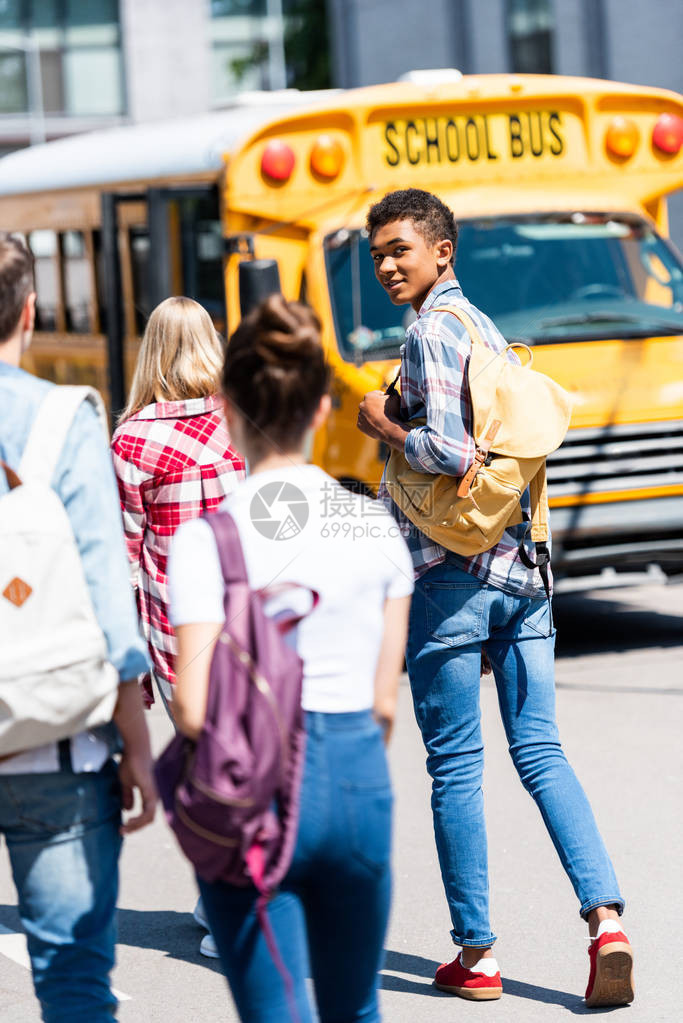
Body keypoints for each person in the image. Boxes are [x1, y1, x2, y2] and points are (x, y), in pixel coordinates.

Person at [357, 189, 634, 1008]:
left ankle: (476, 955)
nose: (386, 265)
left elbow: (449, 449)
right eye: (376, 255)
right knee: (542, 752)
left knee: (454, 768)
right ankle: (606, 919)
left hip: (452, 577)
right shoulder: (483, 330)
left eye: (400, 249)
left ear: (443, 249)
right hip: (525, 571)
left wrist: (383, 423)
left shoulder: (431, 331)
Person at [167, 294, 413, 1022]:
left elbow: (190, 705)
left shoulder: (207, 538)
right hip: (357, 778)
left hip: (255, 788)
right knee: (355, 1008)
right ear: (319, 411)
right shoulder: (372, 525)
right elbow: (383, 701)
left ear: (226, 408)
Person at [0, 233, 157, 1022]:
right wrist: (131, 736)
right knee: (72, 982)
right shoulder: (65, 419)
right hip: (54, 741)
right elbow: (105, 583)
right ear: (28, 312)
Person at [111, 296, 245, 714]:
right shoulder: (244, 420)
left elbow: (126, 558)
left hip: (176, 632)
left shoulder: (131, 441)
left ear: (153, 352)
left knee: (199, 765)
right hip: (248, 623)